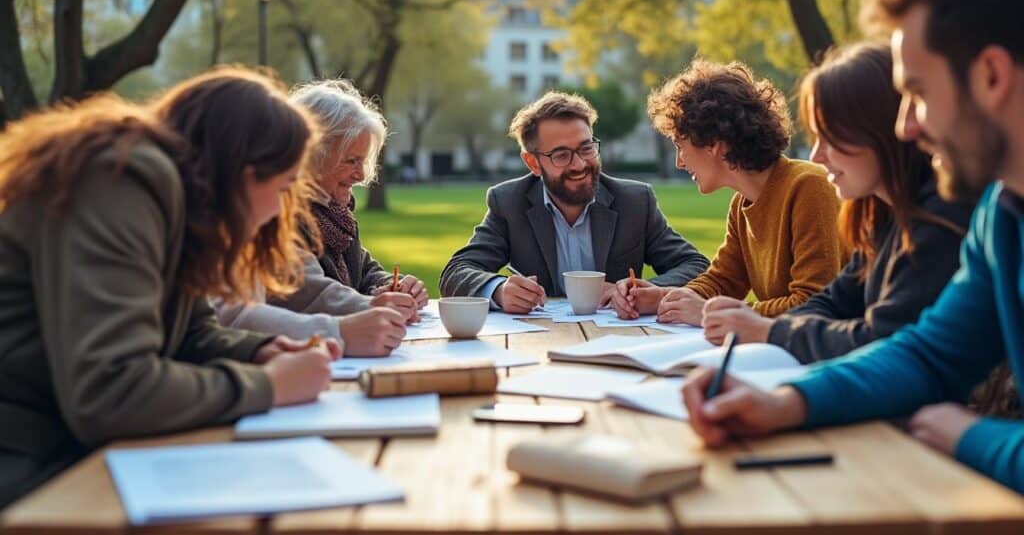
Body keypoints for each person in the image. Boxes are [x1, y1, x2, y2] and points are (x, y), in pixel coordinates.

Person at [681, 0, 1024, 493]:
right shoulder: (1002, 214)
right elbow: (927, 354)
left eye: (917, 93)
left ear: (991, 75)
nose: (905, 127)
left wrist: (972, 438)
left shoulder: (967, 214)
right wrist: (787, 402)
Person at [0, 68, 339, 508]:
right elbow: (111, 391)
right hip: (29, 470)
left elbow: (191, 333)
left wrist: (260, 351)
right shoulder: (120, 182)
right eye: (283, 188)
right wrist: (269, 385)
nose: (279, 211)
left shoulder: (173, 197)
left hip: (65, 450)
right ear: (242, 174)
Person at [698, 43, 972, 359]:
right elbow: (834, 301)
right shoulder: (880, 215)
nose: (817, 156)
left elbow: (881, 341)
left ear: (880, 129)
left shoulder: (938, 220)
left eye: (831, 137)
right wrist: (760, 325)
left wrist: (768, 331)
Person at [439, 91, 709, 314]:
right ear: (533, 163)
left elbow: (696, 265)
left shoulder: (634, 201)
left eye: (586, 148)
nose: (579, 164)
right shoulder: (510, 203)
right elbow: (456, 272)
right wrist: (498, 290)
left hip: (618, 341)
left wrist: (644, 291)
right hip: (539, 344)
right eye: (561, 155)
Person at [622, 60, 844, 326]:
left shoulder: (808, 188)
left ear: (713, 144)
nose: (679, 162)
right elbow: (723, 280)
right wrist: (666, 297)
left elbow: (812, 303)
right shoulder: (742, 204)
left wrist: (709, 312)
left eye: (680, 146)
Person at [213, 79, 423, 355]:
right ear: (313, 156)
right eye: (351, 161)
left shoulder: (335, 216)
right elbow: (305, 291)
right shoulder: (271, 212)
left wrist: (389, 288)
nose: (361, 174)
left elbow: (363, 269)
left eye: (363, 161)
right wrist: (368, 311)